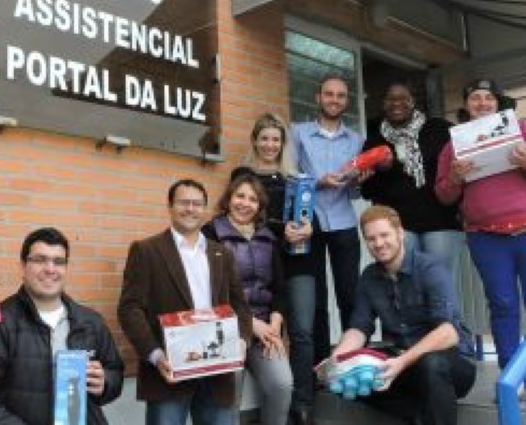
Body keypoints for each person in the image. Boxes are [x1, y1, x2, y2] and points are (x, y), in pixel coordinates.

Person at [434, 78, 526, 406]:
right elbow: (443, 194)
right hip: (485, 236)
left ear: (498, 103)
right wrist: (454, 177)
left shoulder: (524, 129)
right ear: (466, 106)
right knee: (503, 305)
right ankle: (513, 375)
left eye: (488, 98)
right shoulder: (453, 144)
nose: (482, 103)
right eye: (475, 99)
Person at [117, 179, 254, 425]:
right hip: (168, 371)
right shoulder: (146, 250)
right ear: (170, 207)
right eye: (184, 203)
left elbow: (240, 306)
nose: (190, 209)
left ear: (204, 209)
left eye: (197, 204)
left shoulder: (221, 254)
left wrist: (242, 341)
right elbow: (130, 309)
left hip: (218, 372)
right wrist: (156, 355)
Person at [331, 205, 476, 425]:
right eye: (371, 239)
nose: (378, 244)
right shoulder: (369, 277)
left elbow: (449, 333)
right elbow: (359, 327)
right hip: (405, 365)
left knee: (432, 362)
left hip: (451, 366)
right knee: (346, 379)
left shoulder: (429, 268)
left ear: (400, 233)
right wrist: (339, 358)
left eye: (384, 235)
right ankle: (419, 416)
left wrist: (402, 362)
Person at [0, 227, 124, 424]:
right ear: (22, 266)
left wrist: (105, 383)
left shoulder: (91, 322)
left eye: (59, 262)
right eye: (39, 260)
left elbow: (115, 371)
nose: (50, 269)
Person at [289, 73, 368, 424]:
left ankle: (351, 363)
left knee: (350, 295)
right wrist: (316, 181)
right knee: (316, 299)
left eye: (341, 95)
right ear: (318, 97)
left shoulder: (358, 139)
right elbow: (289, 175)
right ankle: (321, 368)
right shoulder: (299, 132)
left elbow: (353, 192)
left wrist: (361, 181)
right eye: (329, 94)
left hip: (344, 222)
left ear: (346, 101)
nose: (334, 99)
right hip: (309, 223)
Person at [201, 175, 293, 425]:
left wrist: (274, 324)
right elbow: (210, 290)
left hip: (266, 329)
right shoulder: (210, 234)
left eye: (253, 199)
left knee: (282, 385)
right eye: (240, 196)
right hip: (227, 329)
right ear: (228, 199)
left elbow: (280, 288)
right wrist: (251, 324)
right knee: (231, 389)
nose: (245, 203)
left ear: (260, 206)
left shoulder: (269, 237)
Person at [360, 80, 463, 281]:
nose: (397, 103)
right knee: (406, 286)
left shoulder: (439, 129)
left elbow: (469, 144)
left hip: (440, 221)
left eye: (403, 98)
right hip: (399, 226)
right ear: (383, 104)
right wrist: (383, 170)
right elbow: (367, 191)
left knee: (439, 283)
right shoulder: (374, 141)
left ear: (413, 102)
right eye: (391, 99)